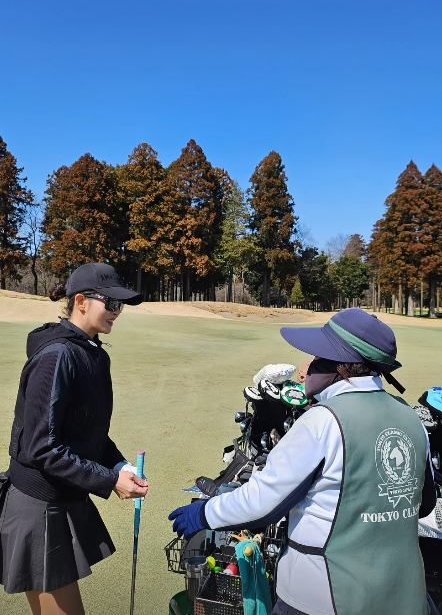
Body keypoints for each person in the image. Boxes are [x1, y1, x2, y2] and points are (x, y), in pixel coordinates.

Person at [169, 308, 436, 615]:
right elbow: (424, 504)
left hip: (322, 598)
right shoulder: (409, 418)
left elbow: (262, 504)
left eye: (319, 357)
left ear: (342, 366)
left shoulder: (322, 420)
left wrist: (204, 512)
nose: (309, 366)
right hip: (405, 596)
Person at [0, 263, 149, 615]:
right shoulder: (56, 356)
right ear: (80, 301)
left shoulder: (94, 353)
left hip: (62, 498)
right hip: (38, 506)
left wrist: (119, 464)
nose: (117, 311)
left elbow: (88, 429)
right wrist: (109, 481)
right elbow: (41, 447)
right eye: (110, 303)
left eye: (120, 305)